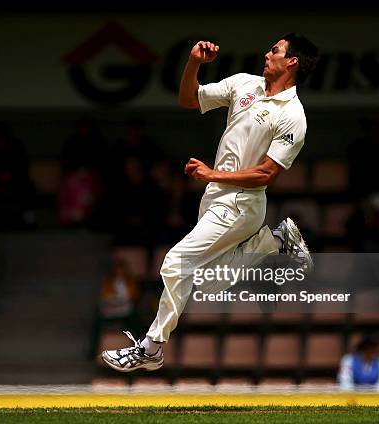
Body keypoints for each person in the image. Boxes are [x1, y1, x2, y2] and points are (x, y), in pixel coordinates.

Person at [101, 34, 319, 372]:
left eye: (274, 49)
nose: (267, 52)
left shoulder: (293, 115)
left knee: (175, 264)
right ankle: (276, 239)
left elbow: (266, 174)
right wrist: (194, 63)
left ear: (292, 62)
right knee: (210, 282)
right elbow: (190, 99)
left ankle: (151, 347)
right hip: (216, 198)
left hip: (241, 203)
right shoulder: (244, 84)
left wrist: (212, 174)